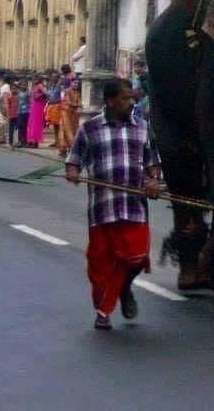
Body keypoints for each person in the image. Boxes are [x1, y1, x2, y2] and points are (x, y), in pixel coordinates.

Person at [65, 77, 162, 330]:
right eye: (125, 98)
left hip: (134, 206)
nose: (131, 103)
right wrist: (73, 171)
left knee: (137, 258)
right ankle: (103, 312)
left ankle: (125, 287)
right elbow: (74, 159)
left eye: (132, 98)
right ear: (110, 101)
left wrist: (154, 181)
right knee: (101, 265)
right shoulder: (90, 129)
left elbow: (153, 163)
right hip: (103, 209)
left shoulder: (142, 127)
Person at [58, 75, 81, 157]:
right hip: (66, 112)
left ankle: (70, 148)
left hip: (73, 113)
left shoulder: (77, 93)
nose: (76, 85)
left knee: (74, 129)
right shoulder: (67, 91)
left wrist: (78, 105)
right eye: (75, 83)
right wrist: (77, 104)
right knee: (66, 130)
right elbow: (68, 102)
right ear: (71, 83)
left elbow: (79, 102)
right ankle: (65, 149)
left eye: (77, 83)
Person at [26, 74, 47, 148]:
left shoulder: (40, 85)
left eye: (35, 79)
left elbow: (45, 93)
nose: (34, 80)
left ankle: (35, 141)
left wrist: (38, 96)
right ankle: (31, 141)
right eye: (33, 78)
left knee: (36, 124)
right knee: (31, 124)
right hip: (33, 106)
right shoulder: (34, 86)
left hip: (38, 106)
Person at [16, 79, 30, 147]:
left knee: (25, 127)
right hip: (20, 112)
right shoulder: (18, 93)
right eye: (22, 85)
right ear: (20, 86)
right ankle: (19, 141)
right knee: (19, 126)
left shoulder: (28, 93)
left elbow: (30, 102)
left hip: (26, 111)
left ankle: (25, 141)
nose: (23, 86)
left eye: (25, 85)